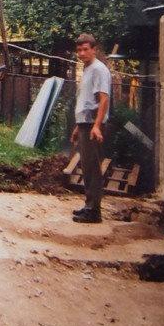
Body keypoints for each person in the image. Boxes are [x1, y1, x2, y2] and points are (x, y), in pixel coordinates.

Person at [70, 33, 112, 224]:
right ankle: (89, 205)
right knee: (87, 167)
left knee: (92, 168)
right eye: (79, 50)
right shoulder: (87, 69)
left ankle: (94, 212)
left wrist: (96, 126)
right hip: (85, 124)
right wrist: (78, 127)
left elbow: (103, 99)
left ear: (94, 50)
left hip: (93, 125)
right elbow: (86, 101)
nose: (82, 53)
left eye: (86, 49)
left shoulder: (99, 70)